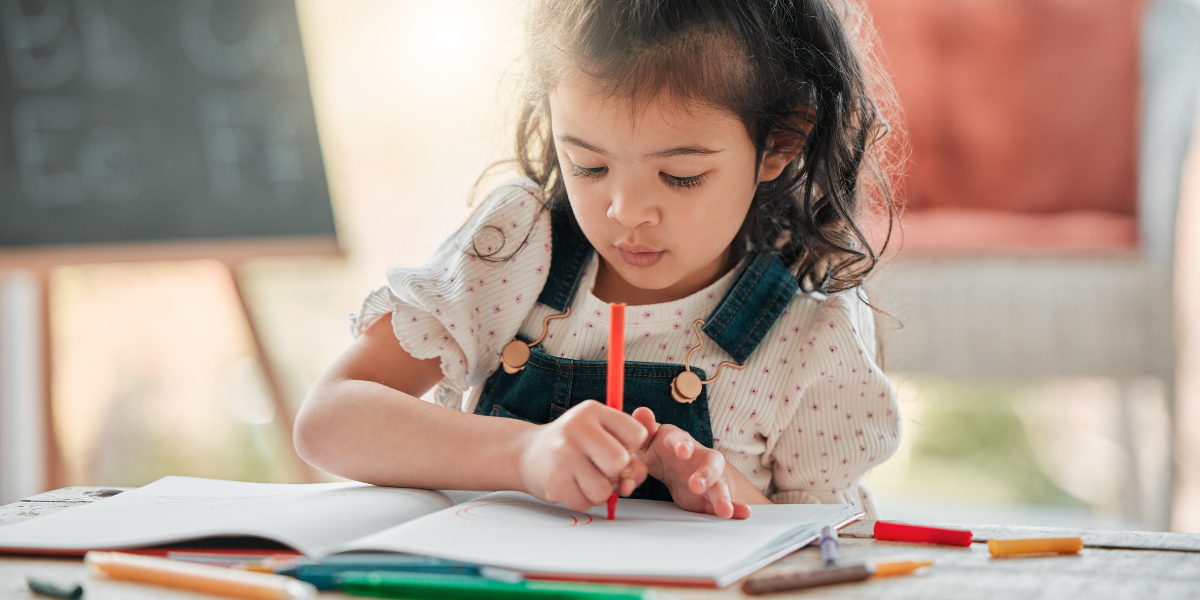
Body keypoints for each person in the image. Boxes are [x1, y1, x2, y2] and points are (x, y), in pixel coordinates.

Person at [295, 0, 902, 521]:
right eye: (587, 165)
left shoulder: (811, 333)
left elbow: (830, 552)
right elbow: (328, 419)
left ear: (780, 143)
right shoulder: (517, 247)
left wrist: (729, 504)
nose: (625, 210)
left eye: (680, 175)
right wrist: (523, 454)